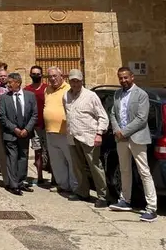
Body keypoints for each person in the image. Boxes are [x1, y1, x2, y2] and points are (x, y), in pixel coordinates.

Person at [109, 67, 157, 222]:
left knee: (144, 172)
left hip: (137, 138)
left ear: (132, 77)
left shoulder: (141, 94)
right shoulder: (117, 94)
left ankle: (151, 207)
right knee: (124, 170)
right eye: (120, 78)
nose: (123, 80)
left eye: (125, 78)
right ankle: (125, 200)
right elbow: (113, 114)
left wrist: (124, 131)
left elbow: (142, 118)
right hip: (121, 139)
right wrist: (117, 130)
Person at [63, 69, 109, 208]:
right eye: (72, 81)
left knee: (95, 166)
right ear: (69, 81)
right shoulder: (66, 96)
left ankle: (103, 196)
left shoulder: (91, 96)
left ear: (81, 81)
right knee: (78, 166)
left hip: (89, 136)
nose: (75, 84)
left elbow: (102, 115)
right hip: (73, 135)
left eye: (77, 81)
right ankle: (83, 192)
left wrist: (99, 133)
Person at [0, 72, 37, 196]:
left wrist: (27, 129)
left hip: (25, 134)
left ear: (18, 83)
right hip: (11, 134)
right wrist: (14, 129)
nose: (8, 84)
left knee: (23, 158)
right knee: (12, 159)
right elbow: (3, 117)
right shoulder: (5, 97)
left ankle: (21, 182)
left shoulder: (30, 96)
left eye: (10, 82)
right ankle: (13, 185)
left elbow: (34, 115)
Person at [44, 67, 77, 195]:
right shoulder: (47, 90)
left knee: (70, 160)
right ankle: (63, 185)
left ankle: (75, 187)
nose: (52, 79)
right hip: (50, 130)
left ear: (61, 76)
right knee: (57, 161)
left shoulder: (69, 89)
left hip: (65, 131)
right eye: (50, 76)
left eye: (55, 76)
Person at [25, 66, 49, 186]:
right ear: (30, 75)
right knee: (37, 151)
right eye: (33, 73)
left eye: (38, 74)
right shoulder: (27, 89)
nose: (35, 75)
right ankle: (39, 176)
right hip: (34, 126)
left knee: (49, 152)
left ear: (41, 75)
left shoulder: (47, 89)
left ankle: (54, 178)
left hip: (47, 125)